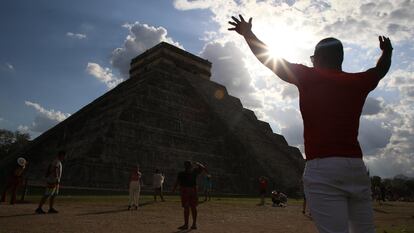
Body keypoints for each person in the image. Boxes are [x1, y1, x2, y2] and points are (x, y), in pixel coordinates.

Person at [229, 15, 392, 233]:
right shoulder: (358, 82)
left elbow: (269, 60)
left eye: (313, 57)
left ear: (319, 58)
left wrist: (247, 33)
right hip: (355, 167)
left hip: (323, 167)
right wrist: (387, 51)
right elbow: (381, 70)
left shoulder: (308, 76)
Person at [173, 161, 208, 230]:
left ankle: (186, 224)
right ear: (191, 166)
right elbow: (203, 168)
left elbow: (177, 182)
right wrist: (198, 163)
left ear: (185, 166)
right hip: (193, 191)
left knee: (187, 208)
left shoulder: (181, 173)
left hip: (185, 191)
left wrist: (173, 189)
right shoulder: (194, 172)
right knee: (193, 207)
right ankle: (194, 224)